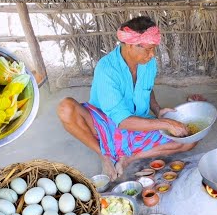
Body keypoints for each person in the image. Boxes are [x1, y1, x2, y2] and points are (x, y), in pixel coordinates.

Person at [57, 16, 198, 181]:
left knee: (189, 141)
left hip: (139, 122)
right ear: (130, 45)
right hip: (106, 123)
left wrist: (158, 110)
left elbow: (147, 89)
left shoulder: (148, 62)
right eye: (147, 49)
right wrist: (167, 123)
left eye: (154, 49)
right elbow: (122, 121)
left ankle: (128, 158)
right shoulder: (107, 69)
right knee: (66, 108)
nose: (152, 54)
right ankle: (104, 154)